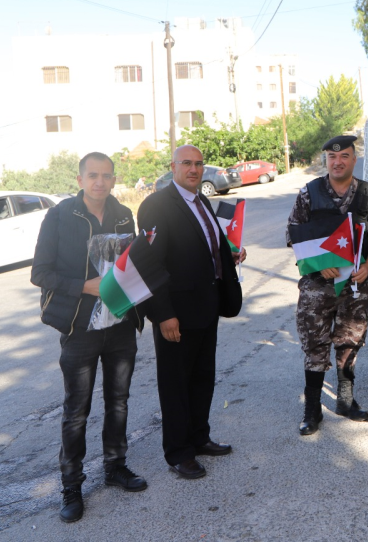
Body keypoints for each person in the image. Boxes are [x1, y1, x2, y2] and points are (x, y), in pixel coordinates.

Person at [31, 152, 147, 524]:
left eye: (106, 175)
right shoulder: (60, 215)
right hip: (79, 327)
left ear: (114, 179)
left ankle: (115, 467)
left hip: (120, 324)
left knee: (119, 402)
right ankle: (72, 487)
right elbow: (40, 273)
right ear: (80, 179)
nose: (100, 182)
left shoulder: (123, 214)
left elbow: (131, 263)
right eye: (93, 175)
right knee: (76, 411)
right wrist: (84, 285)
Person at [137, 145, 246, 480]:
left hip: (206, 307)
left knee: (202, 378)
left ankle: (199, 438)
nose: (194, 169)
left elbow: (207, 247)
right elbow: (148, 264)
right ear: (173, 167)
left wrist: (228, 257)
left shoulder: (201, 201)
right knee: (175, 385)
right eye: (186, 163)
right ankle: (178, 452)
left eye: (199, 163)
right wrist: (163, 314)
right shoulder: (156, 205)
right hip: (176, 314)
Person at [287, 135, 368, 436]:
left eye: (344, 156)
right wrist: (319, 263)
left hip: (354, 286)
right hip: (317, 285)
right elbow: (293, 233)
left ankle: (345, 400)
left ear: (354, 160)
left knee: (350, 341)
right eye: (332, 157)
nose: (337, 162)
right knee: (315, 344)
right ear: (326, 161)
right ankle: (312, 409)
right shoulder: (309, 193)